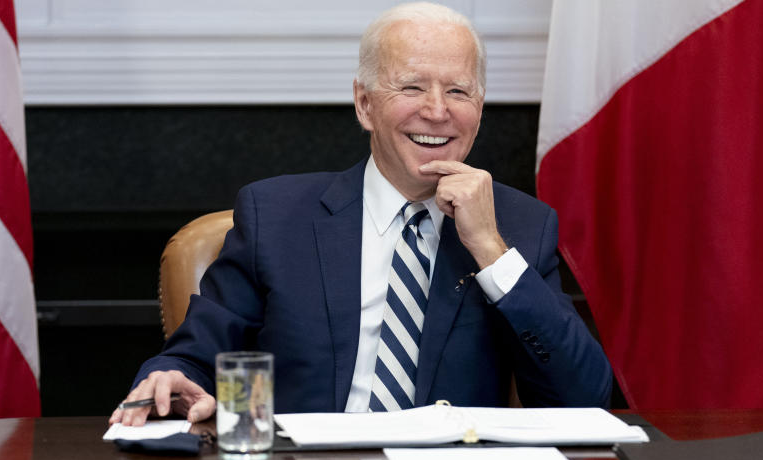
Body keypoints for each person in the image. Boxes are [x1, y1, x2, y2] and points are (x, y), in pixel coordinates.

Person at [112, 2, 612, 427]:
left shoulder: (521, 225)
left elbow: (583, 400)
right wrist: (173, 379)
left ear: (479, 106)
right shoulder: (275, 217)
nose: (438, 111)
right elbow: (195, 357)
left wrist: (491, 250)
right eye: (412, 87)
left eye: (458, 91)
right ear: (365, 104)